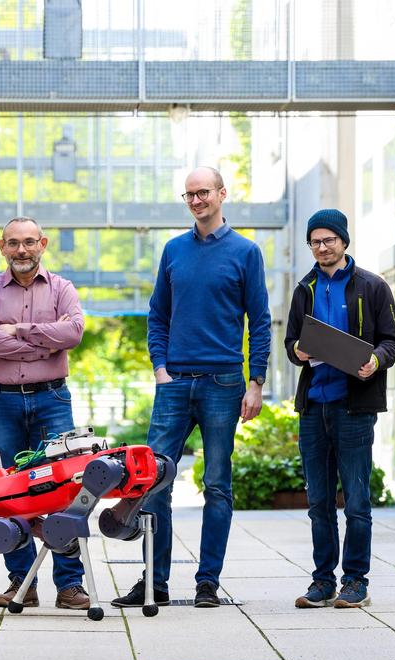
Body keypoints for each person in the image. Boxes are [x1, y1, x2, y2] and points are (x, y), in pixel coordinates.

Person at [112, 167, 272, 610]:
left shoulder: (246, 252)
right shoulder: (174, 250)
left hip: (224, 382)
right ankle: (155, 583)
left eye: (204, 192)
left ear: (222, 194)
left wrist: (256, 382)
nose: (197, 200)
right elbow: (157, 314)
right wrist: (160, 367)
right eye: (190, 195)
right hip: (175, 382)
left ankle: (207, 583)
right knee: (152, 482)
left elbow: (259, 321)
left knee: (217, 484)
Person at [285, 208, 395, 609]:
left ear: (343, 240)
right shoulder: (305, 288)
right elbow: (290, 343)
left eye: (328, 240)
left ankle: (355, 581)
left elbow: (392, 339)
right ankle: (322, 582)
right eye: (315, 242)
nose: (322, 247)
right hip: (314, 407)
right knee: (319, 502)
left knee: (356, 501)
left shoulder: (372, 286)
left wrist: (376, 361)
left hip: (354, 407)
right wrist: (298, 351)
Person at [0, 216, 90, 610]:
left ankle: (70, 585)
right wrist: (45, 340)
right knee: (4, 492)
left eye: (29, 242)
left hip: (51, 399)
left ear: (43, 243)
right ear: (1, 246)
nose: (21, 250)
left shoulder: (63, 288)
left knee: (64, 489)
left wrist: (17, 330)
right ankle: (22, 582)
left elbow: (73, 333)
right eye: (13, 243)